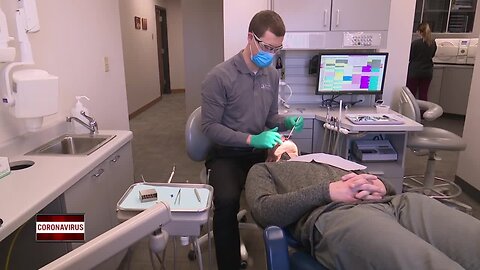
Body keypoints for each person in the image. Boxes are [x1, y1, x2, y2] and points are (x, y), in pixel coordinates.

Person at [245, 146, 480, 270]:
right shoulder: (264, 169)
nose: (285, 145)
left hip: (397, 203)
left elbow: (381, 185)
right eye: (278, 144)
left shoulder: (328, 159)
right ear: (270, 155)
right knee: (426, 263)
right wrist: (327, 192)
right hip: (339, 216)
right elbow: (263, 211)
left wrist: (382, 185)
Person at [200, 10, 304, 269]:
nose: (271, 54)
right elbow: (210, 127)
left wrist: (285, 121)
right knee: (225, 203)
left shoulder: (271, 75)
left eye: (277, 49)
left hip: (259, 152)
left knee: (290, 191)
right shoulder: (219, 77)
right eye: (267, 47)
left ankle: (288, 256)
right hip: (226, 154)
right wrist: (251, 140)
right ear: (250, 38)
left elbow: (270, 118)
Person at [407, 22, 437, 101]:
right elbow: (432, 55)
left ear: (419, 32)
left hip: (415, 71)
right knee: (423, 94)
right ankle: (423, 112)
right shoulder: (433, 43)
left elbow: (410, 56)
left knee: (411, 94)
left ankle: (411, 112)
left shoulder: (415, 43)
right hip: (427, 72)